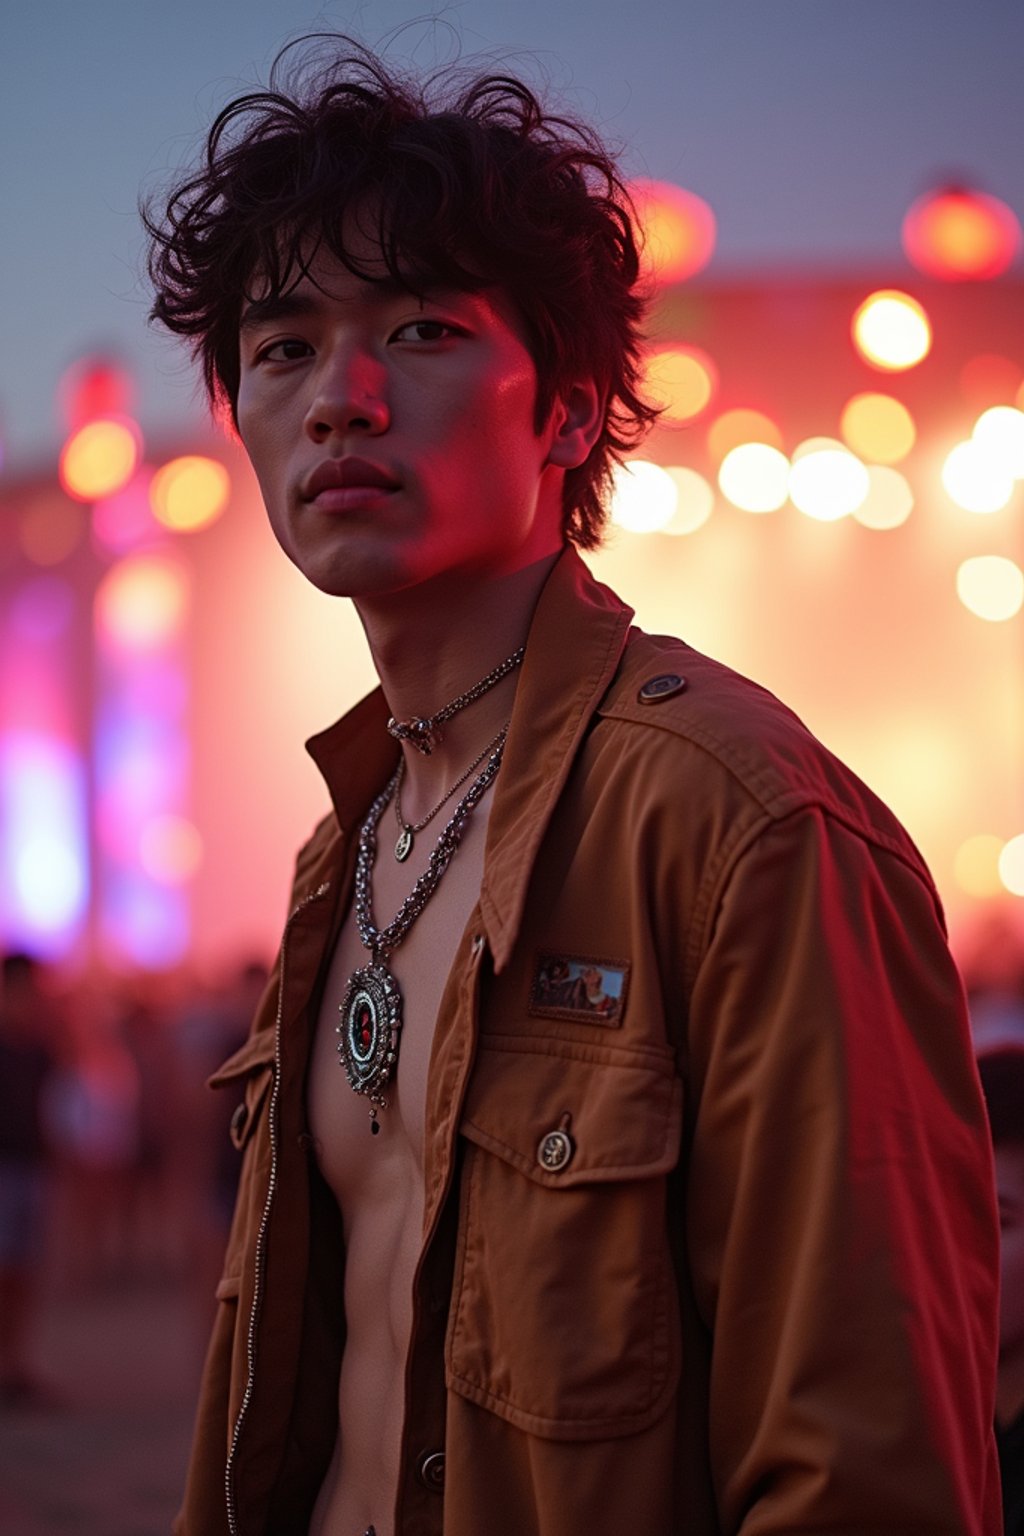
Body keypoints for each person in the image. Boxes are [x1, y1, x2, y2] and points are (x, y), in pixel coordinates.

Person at [145, 38, 1002, 1536]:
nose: (342, 398)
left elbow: (867, 1463)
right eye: (282, 348)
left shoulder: (740, 820)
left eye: (418, 332)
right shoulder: (338, 852)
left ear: (563, 409)